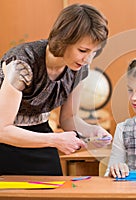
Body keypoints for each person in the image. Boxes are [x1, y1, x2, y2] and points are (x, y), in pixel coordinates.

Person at [0, 4, 112, 175]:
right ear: (64, 39)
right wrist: (54, 139)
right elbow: (2, 129)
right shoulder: (22, 63)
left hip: (41, 134)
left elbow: (68, 119)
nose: (88, 60)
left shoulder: (78, 69)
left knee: (55, 190)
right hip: (6, 141)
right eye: (83, 50)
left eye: (94, 52)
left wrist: (92, 130)